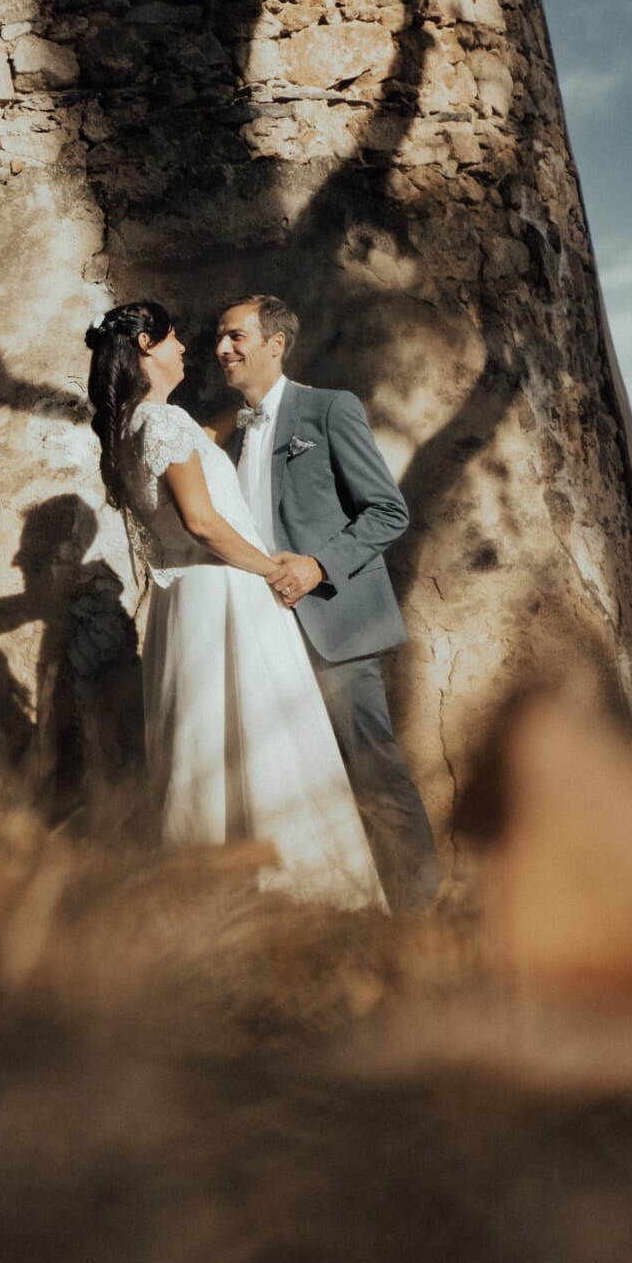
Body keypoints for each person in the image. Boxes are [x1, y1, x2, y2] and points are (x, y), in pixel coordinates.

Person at [84, 302, 386, 911]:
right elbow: (202, 522)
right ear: (146, 345)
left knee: (207, 746)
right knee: (263, 741)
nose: (190, 350)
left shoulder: (140, 427)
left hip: (185, 605)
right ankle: (302, 898)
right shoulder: (163, 424)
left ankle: (215, 901)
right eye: (174, 341)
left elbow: (217, 435)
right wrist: (271, 568)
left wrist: (267, 403)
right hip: (225, 592)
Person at [210, 295, 441, 910]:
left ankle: (424, 920)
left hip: (331, 628)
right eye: (217, 338)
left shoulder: (328, 409)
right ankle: (332, 914)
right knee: (288, 782)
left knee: (374, 773)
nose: (221, 350)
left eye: (235, 336)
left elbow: (389, 510)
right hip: (260, 635)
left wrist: (318, 565)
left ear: (275, 344)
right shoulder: (228, 438)